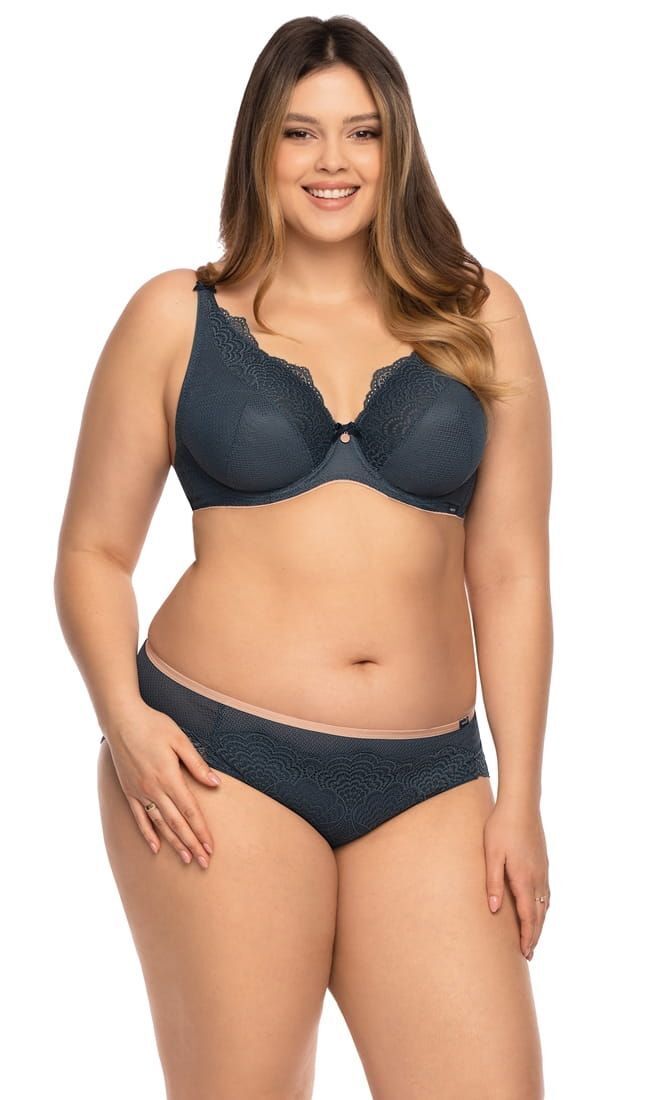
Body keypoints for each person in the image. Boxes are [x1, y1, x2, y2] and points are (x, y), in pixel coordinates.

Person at [54, 15, 552, 1100]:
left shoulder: (478, 313)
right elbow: (91, 550)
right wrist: (125, 722)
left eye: (361, 132)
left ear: (396, 147)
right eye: (300, 132)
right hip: (216, 761)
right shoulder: (175, 316)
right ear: (260, 148)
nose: (333, 161)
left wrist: (519, 794)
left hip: (428, 780)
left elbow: (511, 570)